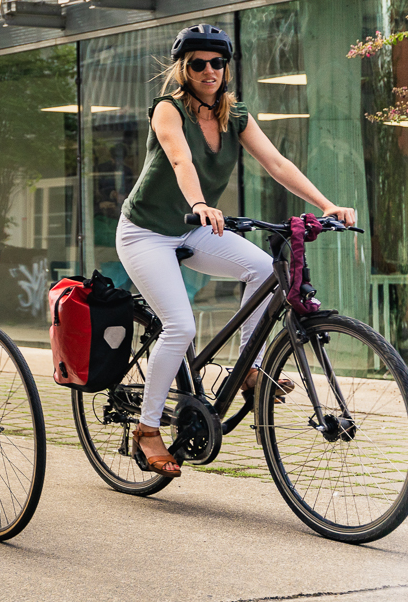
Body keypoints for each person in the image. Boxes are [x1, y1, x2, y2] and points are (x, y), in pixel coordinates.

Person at [115, 24, 356, 479]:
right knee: (180, 325)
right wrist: (200, 204)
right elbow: (181, 159)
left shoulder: (234, 115)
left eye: (217, 63)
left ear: (226, 68)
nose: (209, 71)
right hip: (146, 232)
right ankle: (146, 430)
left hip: (192, 229)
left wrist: (326, 205)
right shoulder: (167, 110)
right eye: (199, 64)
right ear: (183, 70)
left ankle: (249, 370)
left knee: (265, 270)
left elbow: (277, 163)